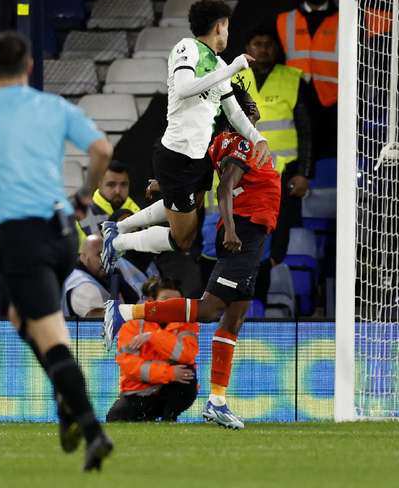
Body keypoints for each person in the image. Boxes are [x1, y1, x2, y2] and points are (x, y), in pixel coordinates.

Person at [0, 31, 114, 471]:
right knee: (22, 318)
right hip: (62, 233)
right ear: (30, 67)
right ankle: (68, 399)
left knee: (50, 335)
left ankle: (89, 425)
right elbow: (102, 149)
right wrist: (84, 195)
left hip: (21, 238)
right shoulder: (53, 107)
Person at [104, 91, 281, 429]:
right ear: (236, 115)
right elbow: (225, 187)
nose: (255, 110)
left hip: (254, 236)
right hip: (242, 232)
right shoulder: (240, 143)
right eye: (248, 107)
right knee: (210, 309)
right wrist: (230, 229)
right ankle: (125, 312)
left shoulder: (223, 144)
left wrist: (163, 183)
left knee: (234, 318)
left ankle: (217, 401)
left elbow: (199, 181)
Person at [99, 0, 269, 275]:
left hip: (200, 158)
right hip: (177, 156)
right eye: (227, 27)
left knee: (186, 218)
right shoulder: (186, 47)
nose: (228, 33)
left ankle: (119, 227)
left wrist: (257, 137)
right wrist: (232, 68)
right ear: (220, 26)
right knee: (183, 239)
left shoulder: (218, 63)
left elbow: (234, 111)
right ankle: (119, 241)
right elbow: (184, 88)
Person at [232, 28, 314, 268]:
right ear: (248, 49)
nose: (263, 49)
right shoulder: (234, 78)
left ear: (277, 49)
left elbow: (307, 130)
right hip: (244, 170)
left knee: (277, 232)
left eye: (268, 44)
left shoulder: (292, 78)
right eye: (257, 43)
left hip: (283, 170)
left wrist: (303, 173)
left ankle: (272, 271)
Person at [106, 277, 199, 422]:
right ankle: (149, 416)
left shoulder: (187, 324)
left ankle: (170, 418)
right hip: (138, 392)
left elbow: (186, 354)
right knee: (115, 417)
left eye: (177, 301)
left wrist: (153, 337)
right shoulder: (132, 325)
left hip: (171, 388)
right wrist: (168, 373)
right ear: (150, 301)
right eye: (165, 299)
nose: (171, 305)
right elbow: (130, 366)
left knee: (188, 374)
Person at [276, 0, 338, 158]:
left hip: (334, 102)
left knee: (332, 159)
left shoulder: (345, 18)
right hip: (295, 100)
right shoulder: (283, 20)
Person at [76, 160, 140, 245]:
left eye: (123, 184)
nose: (118, 191)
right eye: (111, 184)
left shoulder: (138, 212)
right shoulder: (82, 213)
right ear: (99, 183)